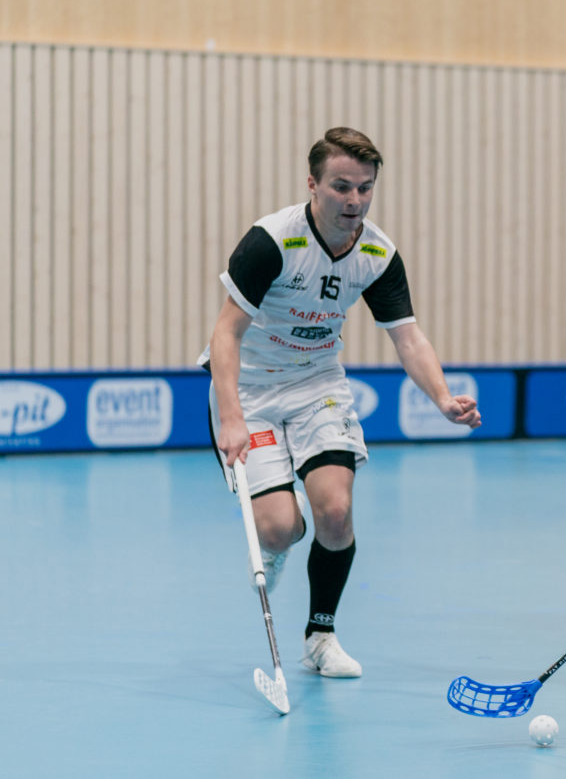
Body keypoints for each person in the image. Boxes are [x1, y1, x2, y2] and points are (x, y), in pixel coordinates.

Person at [201, 127, 482, 678]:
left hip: (317, 386)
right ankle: (277, 541)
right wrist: (230, 417)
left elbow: (408, 336)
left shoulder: (376, 252)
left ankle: (321, 635)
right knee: (278, 527)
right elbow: (225, 334)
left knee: (335, 510)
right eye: (341, 187)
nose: (354, 201)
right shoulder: (273, 240)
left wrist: (444, 398)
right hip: (252, 392)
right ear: (313, 184)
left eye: (365, 188)